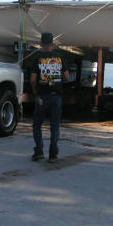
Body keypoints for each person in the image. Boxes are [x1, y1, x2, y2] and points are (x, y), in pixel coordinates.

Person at [30, 32, 69, 163]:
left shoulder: (37, 57)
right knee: (55, 126)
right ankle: (53, 154)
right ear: (52, 44)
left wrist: (35, 91)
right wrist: (57, 83)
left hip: (42, 96)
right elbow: (67, 77)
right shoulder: (60, 57)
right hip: (56, 96)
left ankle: (39, 152)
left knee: (37, 125)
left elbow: (33, 79)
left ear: (41, 44)